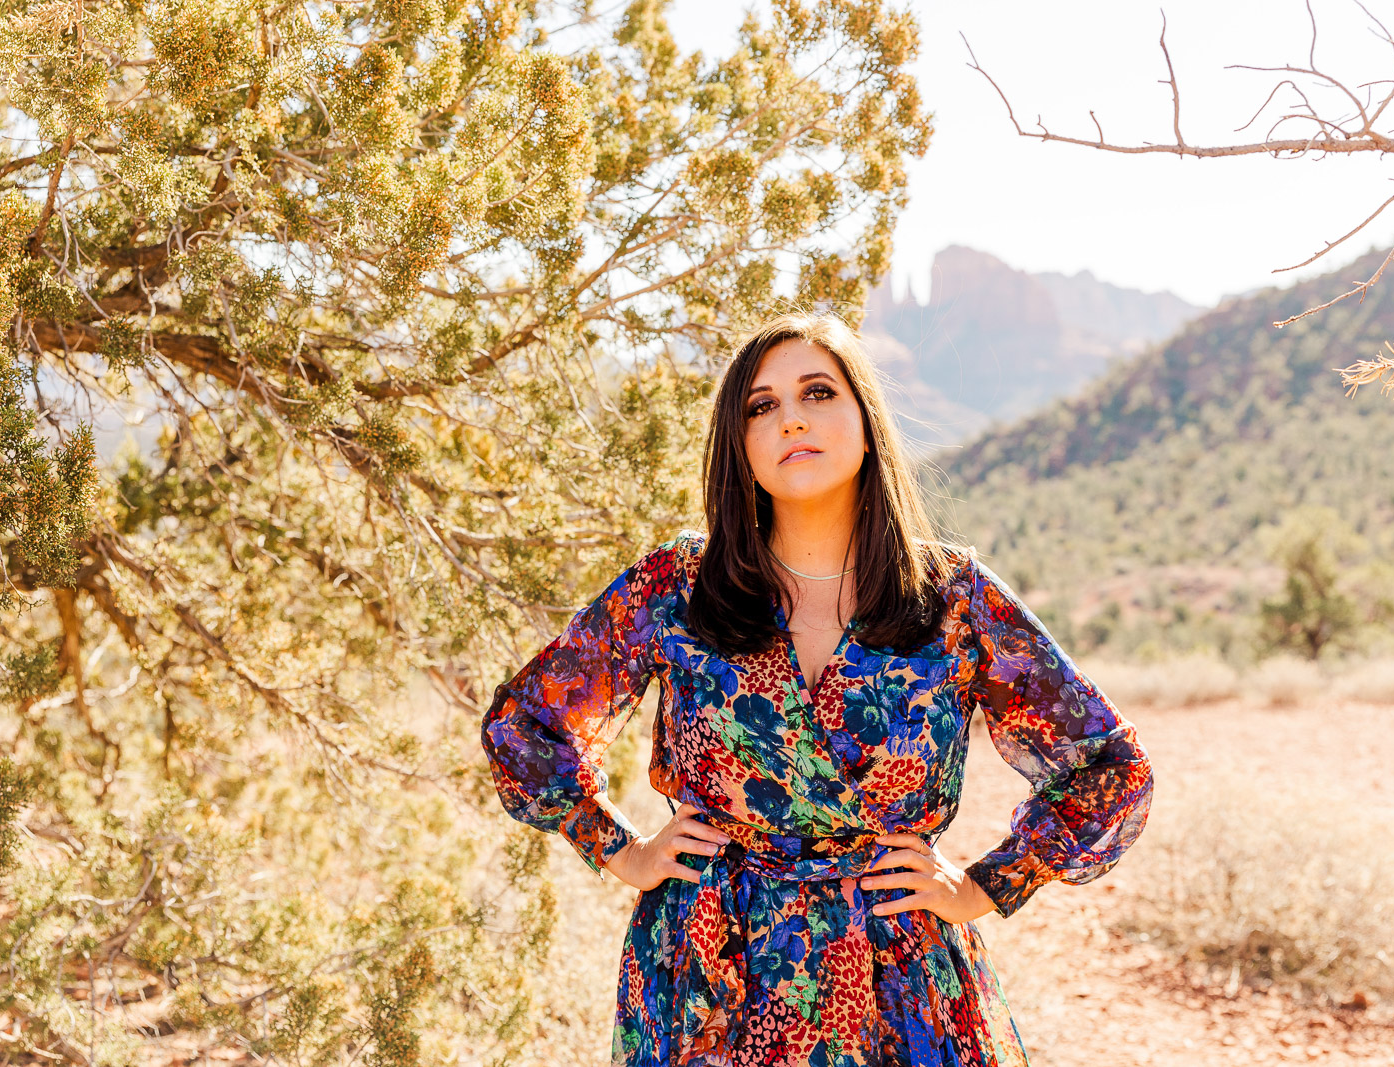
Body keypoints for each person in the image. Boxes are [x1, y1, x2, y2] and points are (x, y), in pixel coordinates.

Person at [479, 312, 1153, 1067]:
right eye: (760, 406)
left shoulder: (954, 599)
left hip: (895, 972)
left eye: (818, 391)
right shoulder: (673, 588)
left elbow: (1109, 769)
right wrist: (620, 848)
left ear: (867, 424)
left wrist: (983, 885)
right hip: (711, 973)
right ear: (741, 447)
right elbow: (527, 724)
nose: (790, 415)